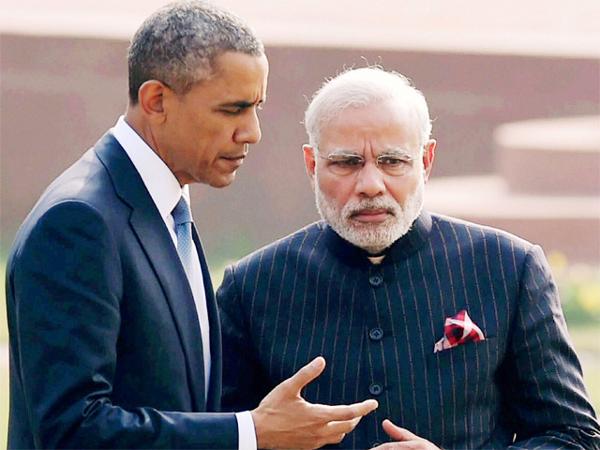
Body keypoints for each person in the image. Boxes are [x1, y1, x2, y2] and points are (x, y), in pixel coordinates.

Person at [5, 3, 378, 449]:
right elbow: (71, 431)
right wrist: (250, 432)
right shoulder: (77, 223)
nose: (252, 132)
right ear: (156, 101)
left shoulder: (165, 203)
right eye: (232, 109)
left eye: (256, 107)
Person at [218, 67, 600, 449]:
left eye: (392, 161)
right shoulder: (251, 287)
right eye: (347, 162)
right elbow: (218, 435)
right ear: (312, 165)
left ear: (426, 160)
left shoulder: (509, 268)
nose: (370, 185)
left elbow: (574, 436)